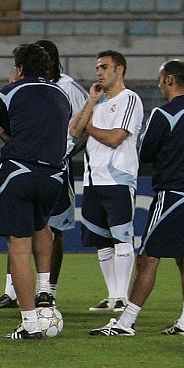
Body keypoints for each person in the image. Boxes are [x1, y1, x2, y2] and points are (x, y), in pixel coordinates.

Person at [89, 60, 184, 337]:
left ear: (169, 80)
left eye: (160, 79)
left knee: (148, 258)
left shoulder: (163, 113)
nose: (158, 84)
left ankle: (126, 322)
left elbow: (145, 152)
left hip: (174, 193)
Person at [0, 43, 73, 339]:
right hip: (54, 176)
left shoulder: (7, 92)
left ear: (20, 68)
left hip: (20, 171)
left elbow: (8, 129)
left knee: (18, 247)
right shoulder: (62, 94)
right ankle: (44, 289)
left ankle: (29, 322)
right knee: (43, 227)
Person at [69, 50, 143, 313]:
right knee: (101, 241)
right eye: (97, 67)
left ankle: (123, 295)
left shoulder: (129, 99)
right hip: (92, 181)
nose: (98, 71)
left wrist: (89, 127)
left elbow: (115, 138)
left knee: (122, 238)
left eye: (104, 67)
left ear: (119, 69)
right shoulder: (97, 103)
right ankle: (112, 295)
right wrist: (90, 100)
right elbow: (73, 130)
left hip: (118, 179)